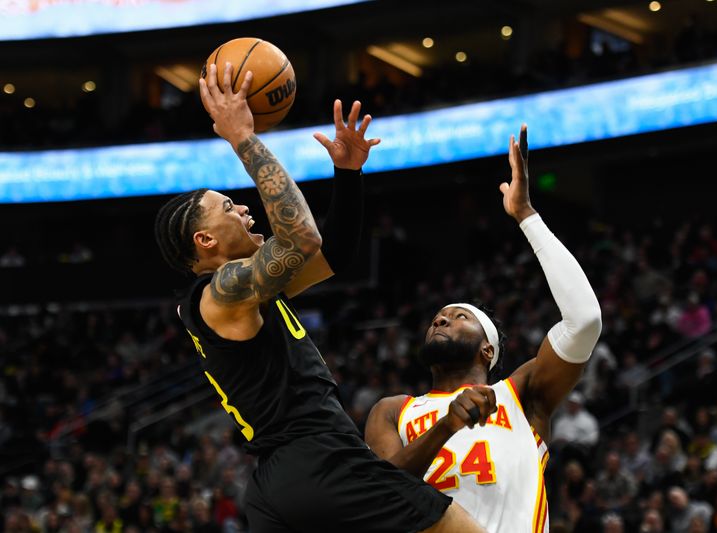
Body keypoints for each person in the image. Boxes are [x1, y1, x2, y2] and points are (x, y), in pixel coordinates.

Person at [154, 62, 485, 533]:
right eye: (228, 207)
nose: (243, 207)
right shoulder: (222, 293)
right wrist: (243, 139)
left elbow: (333, 253)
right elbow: (300, 240)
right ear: (205, 241)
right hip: (318, 458)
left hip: (278, 483)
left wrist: (347, 174)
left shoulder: (246, 292)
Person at [365, 124, 602, 533]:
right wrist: (447, 426)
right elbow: (381, 494)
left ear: (487, 351)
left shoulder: (520, 394)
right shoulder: (392, 410)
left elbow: (585, 322)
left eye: (460, 317)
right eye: (439, 315)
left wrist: (526, 216)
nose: (441, 319)